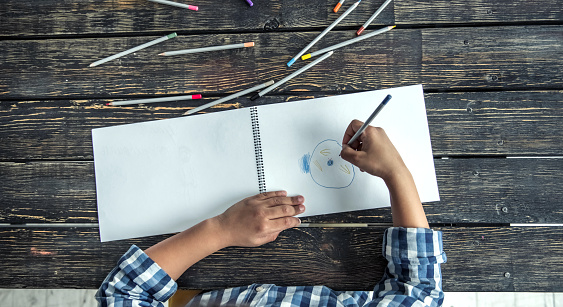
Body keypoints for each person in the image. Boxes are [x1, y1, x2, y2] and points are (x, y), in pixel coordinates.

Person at [96, 120, 447, 307]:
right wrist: (396, 173)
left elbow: (125, 293)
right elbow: (419, 293)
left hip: (196, 289)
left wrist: (220, 229)